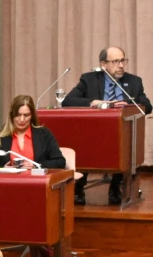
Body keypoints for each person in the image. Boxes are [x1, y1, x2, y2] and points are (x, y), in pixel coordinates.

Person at [63, 46, 151, 205]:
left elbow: (147, 106)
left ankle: (115, 186)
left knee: (125, 142)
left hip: (122, 131)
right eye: (116, 61)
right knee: (82, 140)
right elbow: (68, 101)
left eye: (123, 60)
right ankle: (79, 187)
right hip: (93, 131)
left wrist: (129, 104)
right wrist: (93, 102)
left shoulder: (134, 82)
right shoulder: (89, 79)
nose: (121, 65)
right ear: (103, 64)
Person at [0, 95, 66, 171]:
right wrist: (3, 169)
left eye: (26, 115)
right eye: (18, 115)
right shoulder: (0, 136)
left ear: (32, 116)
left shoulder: (44, 134)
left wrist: (36, 166)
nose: (22, 120)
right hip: (9, 184)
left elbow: (60, 162)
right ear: (12, 115)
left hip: (37, 183)